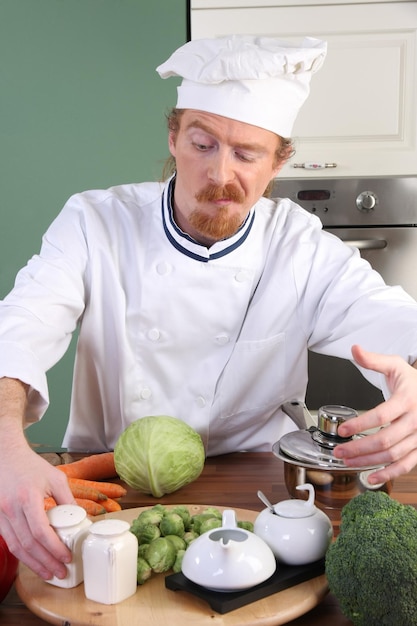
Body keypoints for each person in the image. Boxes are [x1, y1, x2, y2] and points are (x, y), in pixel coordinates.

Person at [1, 34, 417, 581]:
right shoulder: (94, 222)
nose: (221, 174)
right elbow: (22, 324)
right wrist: (7, 446)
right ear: (173, 137)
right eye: (203, 144)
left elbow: (390, 317)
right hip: (110, 494)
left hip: (259, 496)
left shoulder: (300, 246)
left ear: (278, 163)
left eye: (247, 154)